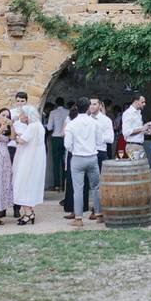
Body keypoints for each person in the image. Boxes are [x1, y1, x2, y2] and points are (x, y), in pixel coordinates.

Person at [63, 97, 101, 227]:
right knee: (96, 187)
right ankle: (99, 214)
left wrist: (75, 149)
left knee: (78, 189)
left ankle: (78, 218)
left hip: (78, 157)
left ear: (76, 108)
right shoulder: (94, 122)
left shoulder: (72, 124)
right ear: (88, 107)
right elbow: (99, 140)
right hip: (92, 157)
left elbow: (67, 144)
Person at [12, 104, 46, 225]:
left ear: (27, 116)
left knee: (22, 183)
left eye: (21, 114)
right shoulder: (39, 126)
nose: (19, 116)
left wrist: (15, 136)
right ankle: (29, 210)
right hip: (36, 158)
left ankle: (28, 213)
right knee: (29, 183)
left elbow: (22, 141)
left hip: (29, 159)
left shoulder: (32, 126)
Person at [9, 91, 29, 218]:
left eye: (22, 101)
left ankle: (18, 207)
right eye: (18, 101)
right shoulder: (11, 112)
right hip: (13, 146)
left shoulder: (30, 113)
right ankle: (5, 207)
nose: (20, 103)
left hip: (25, 147)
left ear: (26, 101)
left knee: (21, 177)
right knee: (10, 175)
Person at [46, 97, 70, 189]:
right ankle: (64, 184)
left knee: (56, 162)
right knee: (65, 162)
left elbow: (49, 127)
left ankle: (56, 184)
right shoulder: (67, 112)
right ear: (63, 103)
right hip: (65, 138)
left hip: (56, 138)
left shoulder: (53, 112)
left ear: (56, 104)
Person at [90, 97, 114, 170]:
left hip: (100, 152)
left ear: (100, 106)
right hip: (87, 153)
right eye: (90, 104)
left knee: (102, 179)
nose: (92, 106)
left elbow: (110, 139)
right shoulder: (86, 119)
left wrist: (98, 136)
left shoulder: (106, 120)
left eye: (94, 104)